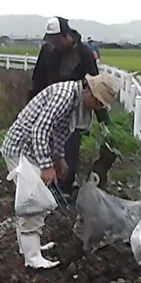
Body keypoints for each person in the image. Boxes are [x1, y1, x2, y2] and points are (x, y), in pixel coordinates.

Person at [0, 73, 119, 269]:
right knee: (33, 200)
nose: (97, 107)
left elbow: (59, 131)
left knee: (32, 199)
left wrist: (59, 158)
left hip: (31, 151)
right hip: (21, 150)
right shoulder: (64, 95)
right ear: (87, 89)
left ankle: (30, 247)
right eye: (97, 102)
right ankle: (32, 258)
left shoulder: (74, 101)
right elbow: (40, 129)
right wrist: (47, 166)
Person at [29, 16, 108, 191]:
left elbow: (96, 87)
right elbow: (38, 80)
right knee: (44, 146)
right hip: (49, 108)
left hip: (74, 113)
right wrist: (30, 105)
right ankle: (46, 189)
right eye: (51, 41)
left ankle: (64, 188)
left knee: (68, 152)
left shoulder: (84, 53)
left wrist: (104, 119)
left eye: (58, 40)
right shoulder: (47, 51)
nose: (54, 44)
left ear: (68, 36)